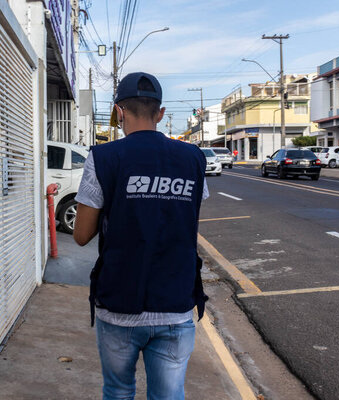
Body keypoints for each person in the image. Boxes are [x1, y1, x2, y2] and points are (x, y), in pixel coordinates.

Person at [73, 72, 209, 400]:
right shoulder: (193, 158)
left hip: (119, 303)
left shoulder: (104, 158)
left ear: (119, 111)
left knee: (118, 391)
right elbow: (187, 215)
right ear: (160, 113)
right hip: (175, 302)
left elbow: (80, 235)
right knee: (169, 395)